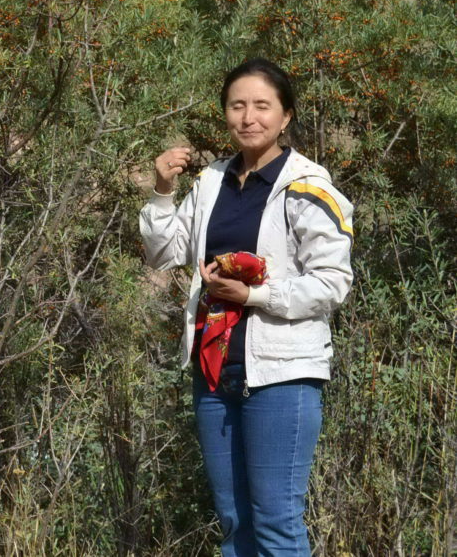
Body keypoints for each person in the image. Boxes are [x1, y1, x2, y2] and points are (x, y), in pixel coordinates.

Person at [139, 58, 353, 557]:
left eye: (262, 106)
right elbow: (165, 253)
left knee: (276, 522)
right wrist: (163, 191)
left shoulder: (309, 187)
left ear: (286, 116)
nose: (249, 117)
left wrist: (254, 296)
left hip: (282, 373)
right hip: (214, 371)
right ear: (226, 114)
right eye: (238, 106)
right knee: (235, 523)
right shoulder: (212, 181)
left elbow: (332, 283)